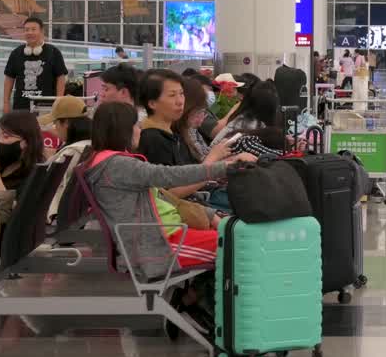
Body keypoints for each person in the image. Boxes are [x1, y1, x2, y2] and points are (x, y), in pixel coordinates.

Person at [80, 101, 257, 278]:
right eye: (135, 125)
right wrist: (224, 167)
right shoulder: (117, 165)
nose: (139, 129)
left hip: (159, 238)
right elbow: (169, 175)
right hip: (159, 249)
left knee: (236, 239)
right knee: (240, 245)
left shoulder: (103, 160)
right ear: (122, 129)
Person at [2, 17, 68, 114]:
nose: (29, 32)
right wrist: (6, 103)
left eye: (33, 29)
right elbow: (9, 79)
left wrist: (58, 102)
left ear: (41, 31)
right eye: (27, 30)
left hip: (47, 108)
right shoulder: (16, 53)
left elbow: (61, 78)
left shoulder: (53, 52)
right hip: (21, 108)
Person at [136, 69, 193, 168]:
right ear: (152, 103)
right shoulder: (152, 139)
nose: (180, 101)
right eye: (172, 95)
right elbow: (175, 182)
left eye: (181, 93)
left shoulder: (171, 133)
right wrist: (211, 162)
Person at [0, 111, 45, 194]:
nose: (0, 141)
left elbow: (5, 204)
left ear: (26, 141)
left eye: (6, 136)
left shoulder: (33, 175)